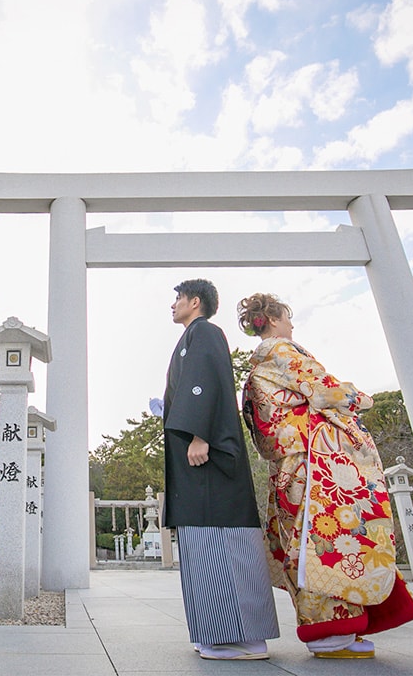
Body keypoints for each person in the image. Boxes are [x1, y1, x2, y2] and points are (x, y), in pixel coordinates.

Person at [237, 292, 413, 659]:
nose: (292, 326)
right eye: (288, 319)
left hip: (288, 465)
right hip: (310, 463)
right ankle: (330, 632)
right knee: (321, 542)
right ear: (274, 320)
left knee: (305, 543)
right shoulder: (283, 351)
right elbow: (325, 391)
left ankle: (336, 625)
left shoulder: (260, 364)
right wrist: (363, 398)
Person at [163, 279, 280, 661]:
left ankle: (245, 636)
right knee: (201, 538)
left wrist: (200, 433)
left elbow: (209, 383)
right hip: (198, 456)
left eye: (178, 298)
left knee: (222, 538)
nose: (173, 305)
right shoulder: (190, 338)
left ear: (194, 302)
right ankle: (215, 631)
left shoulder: (206, 333)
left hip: (209, 452)